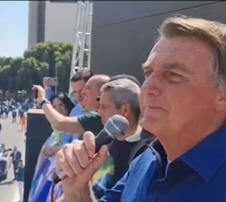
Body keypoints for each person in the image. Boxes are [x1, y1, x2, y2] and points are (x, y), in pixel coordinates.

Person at [55, 16, 226, 202]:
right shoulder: (146, 161)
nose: (147, 87)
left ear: (222, 95)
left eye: (174, 75)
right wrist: (77, 192)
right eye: (148, 73)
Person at [28, 93, 75, 202]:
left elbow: (73, 148)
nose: (58, 109)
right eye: (54, 107)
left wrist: (53, 150)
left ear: (68, 106)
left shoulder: (74, 127)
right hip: (47, 173)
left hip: (61, 179)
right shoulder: (55, 131)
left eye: (61, 105)